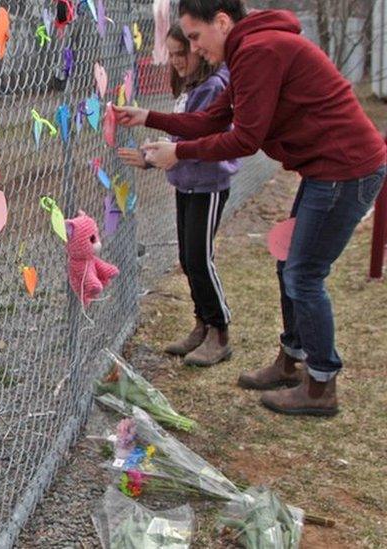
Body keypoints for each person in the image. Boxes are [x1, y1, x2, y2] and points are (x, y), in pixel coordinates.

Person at [115, 0, 386, 417]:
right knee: (289, 265)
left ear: (222, 22)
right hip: (327, 169)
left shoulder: (259, 51)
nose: (194, 47)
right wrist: (149, 116)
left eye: (194, 36)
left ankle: (321, 384)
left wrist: (178, 153)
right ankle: (292, 359)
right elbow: (211, 120)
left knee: (304, 273)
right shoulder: (248, 52)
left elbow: (245, 138)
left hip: (344, 170)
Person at [118, 23, 238, 367]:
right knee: (188, 258)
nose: (176, 61)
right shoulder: (190, 86)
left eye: (181, 53)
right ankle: (202, 324)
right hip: (187, 181)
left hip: (209, 184)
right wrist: (152, 160)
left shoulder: (214, 87)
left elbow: (204, 140)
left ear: (198, 50)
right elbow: (181, 139)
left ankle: (220, 330)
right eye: (170, 55)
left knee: (200, 258)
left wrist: (158, 156)